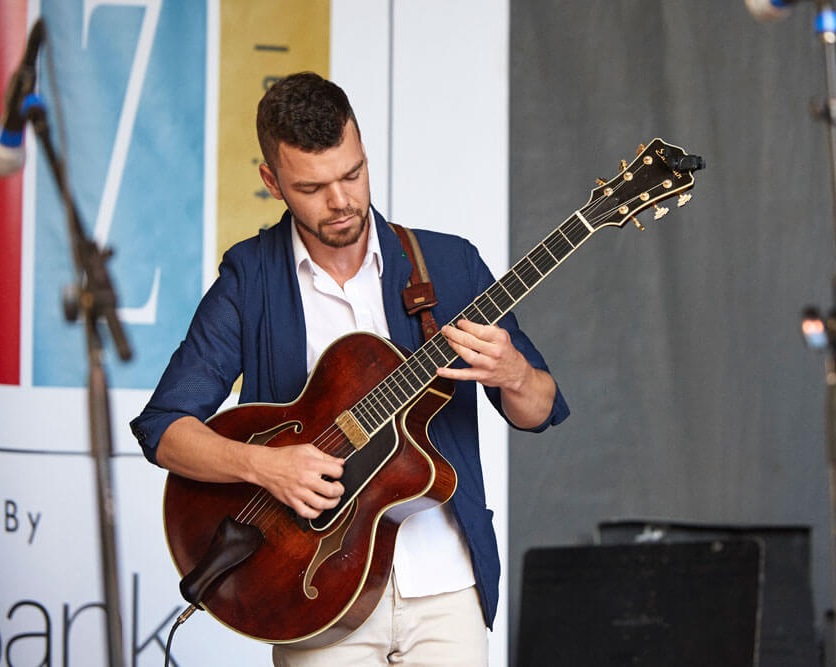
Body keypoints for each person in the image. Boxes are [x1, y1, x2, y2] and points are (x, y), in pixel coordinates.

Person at [131, 71, 569, 666]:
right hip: (315, 597)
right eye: (312, 187)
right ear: (272, 181)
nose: (341, 202)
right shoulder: (250, 280)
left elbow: (539, 409)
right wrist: (266, 467)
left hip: (445, 585)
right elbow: (164, 429)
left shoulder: (448, 263)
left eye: (353, 174)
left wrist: (514, 372)